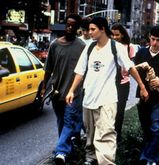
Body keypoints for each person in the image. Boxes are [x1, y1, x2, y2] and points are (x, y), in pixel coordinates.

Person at [65, 16, 149, 165]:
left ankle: (106, 162)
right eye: (89, 29)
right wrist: (71, 90)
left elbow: (130, 68)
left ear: (102, 29)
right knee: (90, 133)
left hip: (107, 98)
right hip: (89, 97)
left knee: (106, 133)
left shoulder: (116, 47)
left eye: (93, 29)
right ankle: (91, 158)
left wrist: (142, 86)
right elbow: (80, 71)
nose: (89, 32)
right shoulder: (89, 47)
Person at [41, 14, 86, 164]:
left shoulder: (81, 46)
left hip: (73, 93)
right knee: (61, 122)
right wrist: (43, 89)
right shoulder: (55, 44)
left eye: (73, 26)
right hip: (56, 92)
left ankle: (60, 151)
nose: (69, 28)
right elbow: (48, 69)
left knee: (68, 121)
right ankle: (68, 151)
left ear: (77, 28)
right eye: (68, 24)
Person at [134, 25, 159, 165]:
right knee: (146, 128)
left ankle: (150, 158)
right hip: (143, 96)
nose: (154, 43)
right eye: (152, 39)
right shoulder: (141, 53)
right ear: (149, 37)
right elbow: (133, 72)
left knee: (156, 128)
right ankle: (149, 155)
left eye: (158, 40)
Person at [111, 23, 135, 143]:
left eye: (117, 35)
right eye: (113, 35)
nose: (115, 37)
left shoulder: (128, 47)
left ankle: (117, 136)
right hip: (110, 83)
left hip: (123, 83)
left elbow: (131, 65)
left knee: (119, 111)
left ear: (122, 34)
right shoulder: (108, 46)